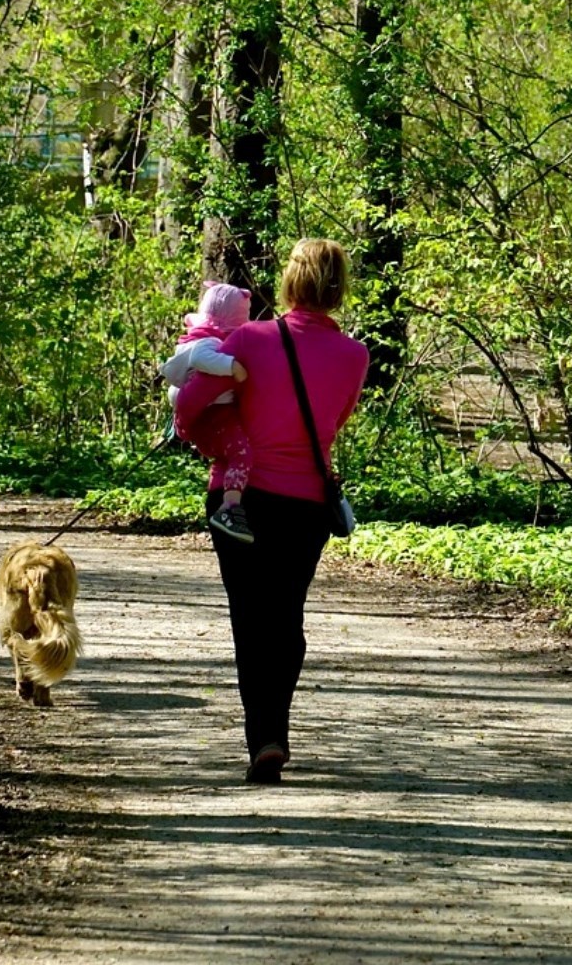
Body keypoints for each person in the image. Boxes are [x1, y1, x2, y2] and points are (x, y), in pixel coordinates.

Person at [175, 239, 369, 784]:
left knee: (250, 618)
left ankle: (264, 737)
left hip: (241, 500)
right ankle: (275, 731)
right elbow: (335, 423)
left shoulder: (248, 340)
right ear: (339, 288)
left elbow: (188, 405)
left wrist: (209, 441)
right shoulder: (355, 357)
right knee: (286, 616)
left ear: (289, 282)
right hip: (306, 504)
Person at [158, 282, 256, 543]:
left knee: (225, 457)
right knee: (241, 453)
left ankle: (223, 498)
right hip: (215, 415)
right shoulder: (208, 342)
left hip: (205, 418)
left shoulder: (197, 339)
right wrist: (232, 366)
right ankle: (230, 508)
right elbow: (202, 359)